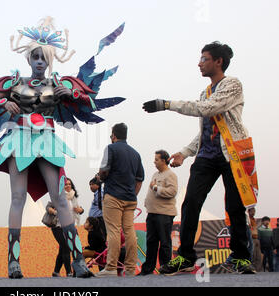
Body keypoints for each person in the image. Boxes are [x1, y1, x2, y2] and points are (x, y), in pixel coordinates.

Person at [0, 17, 126, 278]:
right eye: (35, 57)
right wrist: (2, 104)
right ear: (28, 59)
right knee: (17, 198)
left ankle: (77, 261)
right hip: (19, 138)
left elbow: (90, 103)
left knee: (60, 199)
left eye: (44, 58)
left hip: (47, 140)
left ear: (50, 60)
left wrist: (74, 95)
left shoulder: (59, 84)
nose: (40, 61)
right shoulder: (15, 83)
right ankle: (14, 262)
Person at [143, 41, 256, 274]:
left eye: (204, 59)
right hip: (207, 155)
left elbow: (208, 109)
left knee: (234, 206)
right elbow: (206, 129)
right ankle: (185, 256)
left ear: (218, 61)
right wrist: (185, 153)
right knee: (191, 202)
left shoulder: (232, 85)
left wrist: (166, 104)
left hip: (232, 155)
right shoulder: (204, 92)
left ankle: (241, 257)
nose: (199, 63)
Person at [96, 123, 144, 277]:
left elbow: (104, 170)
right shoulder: (136, 154)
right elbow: (140, 179)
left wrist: (100, 177)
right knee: (130, 232)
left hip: (114, 196)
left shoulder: (111, 149)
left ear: (114, 135)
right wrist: (133, 195)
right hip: (130, 198)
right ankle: (130, 268)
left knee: (114, 231)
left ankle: (110, 267)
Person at [139, 150, 178, 276]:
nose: (154, 162)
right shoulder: (156, 174)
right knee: (151, 242)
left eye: (156, 159)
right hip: (152, 213)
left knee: (165, 242)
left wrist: (156, 188)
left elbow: (172, 191)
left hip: (164, 213)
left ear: (163, 160)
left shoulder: (170, 175)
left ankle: (165, 267)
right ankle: (147, 269)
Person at [46, 201, 72, 277]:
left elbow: (75, 209)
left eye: (69, 187)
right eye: (65, 187)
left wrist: (81, 210)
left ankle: (56, 271)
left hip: (69, 227)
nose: (67, 188)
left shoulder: (72, 197)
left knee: (62, 250)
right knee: (66, 247)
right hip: (57, 226)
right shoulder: (57, 197)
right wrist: (53, 211)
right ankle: (69, 272)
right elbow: (48, 207)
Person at [248, 207, 263, 272]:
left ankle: (257, 270)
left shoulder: (253, 219)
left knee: (258, 256)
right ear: (248, 211)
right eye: (252, 211)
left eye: (254, 211)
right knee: (253, 255)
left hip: (256, 238)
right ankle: (252, 269)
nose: (254, 213)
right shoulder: (247, 219)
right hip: (251, 238)